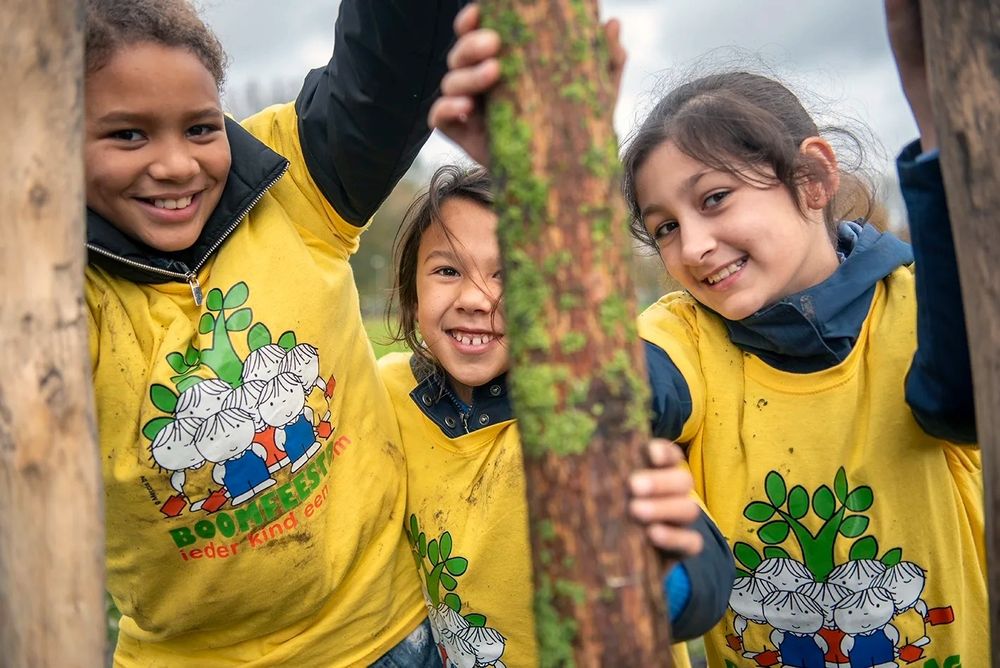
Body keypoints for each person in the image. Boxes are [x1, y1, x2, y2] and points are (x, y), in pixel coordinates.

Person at [427, 1, 985, 666]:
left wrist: (941, 132)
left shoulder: (921, 307)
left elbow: (957, 401)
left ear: (812, 179)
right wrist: (547, 179)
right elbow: (605, 396)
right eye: (664, 227)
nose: (692, 246)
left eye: (714, 199)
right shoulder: (682, 338)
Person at [83, 0, 465, 665]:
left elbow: (392, 61)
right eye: (129, 135)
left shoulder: (293, 178)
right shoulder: (47, 287)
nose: (176, 165)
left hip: (389, 633)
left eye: (201, 128)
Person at [379, 164, 735, 668]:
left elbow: (702, 580)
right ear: (413, 295)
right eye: (447, 271)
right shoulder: (391, 393)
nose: (476, 299)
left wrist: (658, 576)